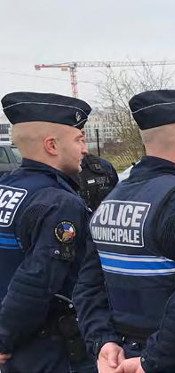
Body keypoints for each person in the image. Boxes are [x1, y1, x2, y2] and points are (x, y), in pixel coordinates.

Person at [73, 89, 175, 372]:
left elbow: (88, 285)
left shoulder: (112, 199)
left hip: (121, 356)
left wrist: (103, 342)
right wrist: (153, 362)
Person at [0, 92, 94, 372]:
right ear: (52, 145)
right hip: (49, 348)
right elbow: (37, 279)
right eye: (79, 139)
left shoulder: (7, 188)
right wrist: (4, 339)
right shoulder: (58, 202)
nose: (85, 149)